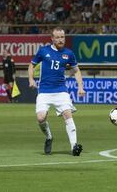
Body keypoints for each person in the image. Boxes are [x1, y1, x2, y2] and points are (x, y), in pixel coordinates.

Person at [28, 27, 85, 156]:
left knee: (67, 114)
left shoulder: (69, 54)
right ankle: (49, 137)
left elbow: (76, 70)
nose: (60, 39)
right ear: (52, 39)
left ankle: (74, 146)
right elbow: (31, 65)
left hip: (61, 90)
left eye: (62, 37)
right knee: (41, 118)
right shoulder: (44, 51)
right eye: (58, 37)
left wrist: (80, 87)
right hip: (44, 91)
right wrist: (31, 79)